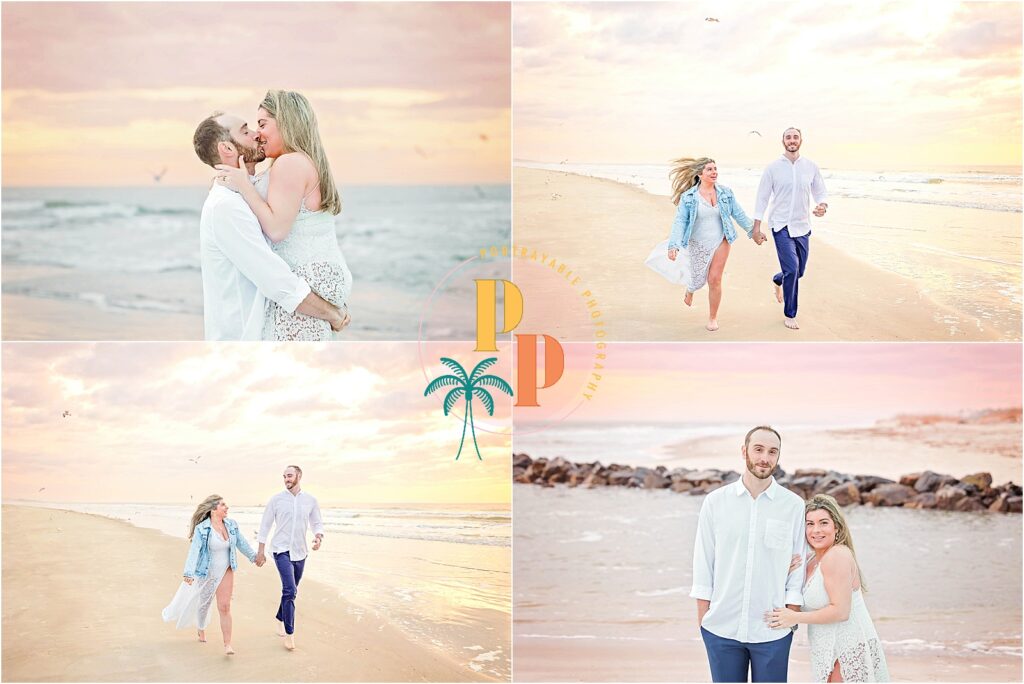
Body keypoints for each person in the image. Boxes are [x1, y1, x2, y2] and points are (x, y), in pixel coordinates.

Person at [192, 112, 349, 340]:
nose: (257, 134)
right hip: (243, 343)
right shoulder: (226, 206)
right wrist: (332, 314)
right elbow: (275, 280)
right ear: (227, 149)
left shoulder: (244, 194)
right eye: (246, 131)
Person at [690, 426, 807, 682]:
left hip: (772, 631)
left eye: (772, 452)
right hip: (721, 627)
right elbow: (704, 561)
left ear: (778, 457)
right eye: (758, 449)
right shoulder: (716, 502)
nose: (765, 457)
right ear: (744, 452)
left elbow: (798, 567)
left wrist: (791, 614)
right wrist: (704, 619)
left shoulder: (794, 506)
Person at [766, 495, 890, 682]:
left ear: (837, 527)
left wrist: (794, 618)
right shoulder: (809, 560)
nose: (816, 530)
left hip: (847, 646)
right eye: (810, 524)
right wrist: (783, 571)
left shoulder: (837, 556)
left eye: (823, 523)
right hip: (826, 648)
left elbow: (841, 612)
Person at [646, 157, 760, 332]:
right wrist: (673, 244)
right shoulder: (689, 197)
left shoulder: (725, 193)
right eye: (709, 169)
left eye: (715, 169)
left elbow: (738, 214)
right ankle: (690, 289)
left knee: (714, 279)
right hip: (697, 242)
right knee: (697, 278)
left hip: (722, 240)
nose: (714, 172)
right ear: (700, 174)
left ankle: (713, 317)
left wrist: (754, 232)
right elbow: (680, 221)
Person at [162, 495, 264, 655]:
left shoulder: (231, 525)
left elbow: (241, 543)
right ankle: (201, 627)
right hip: (207, 571)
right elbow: (194, 550)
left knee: (224, 606)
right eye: (223, 505)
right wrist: (188, 572)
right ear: (213, 509)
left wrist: (254, 557)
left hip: (226, 570)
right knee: (204, 604)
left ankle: (227, 644)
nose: (227, 508)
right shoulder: (202, 529)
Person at [751, 128, 829, 330]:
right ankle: (790, 313)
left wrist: (822, 205)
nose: (792, 140)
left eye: (795, 137)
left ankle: (778, 280)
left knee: (798, 271)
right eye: (788, 137)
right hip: (780, 225)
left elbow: (820, 191)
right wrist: (756, 228)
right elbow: (762, 197)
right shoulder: (773, 168)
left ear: (801, 140)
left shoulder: (811, 167)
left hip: (802, 226)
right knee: (792, 269)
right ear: (783, 141)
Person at [256, 465, 325, 650]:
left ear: (299, 476)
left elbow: (317, 522)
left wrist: (318, 537)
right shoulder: (276, 500)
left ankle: (279, 617)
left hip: (300, 551)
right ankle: (290, 634)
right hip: (281, 550)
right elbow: (265, 526)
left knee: (291, 591)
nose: (286, 479)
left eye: (289, 476)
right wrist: (261, 551)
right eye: (284, 476)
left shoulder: (310, 500)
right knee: (290, 591)